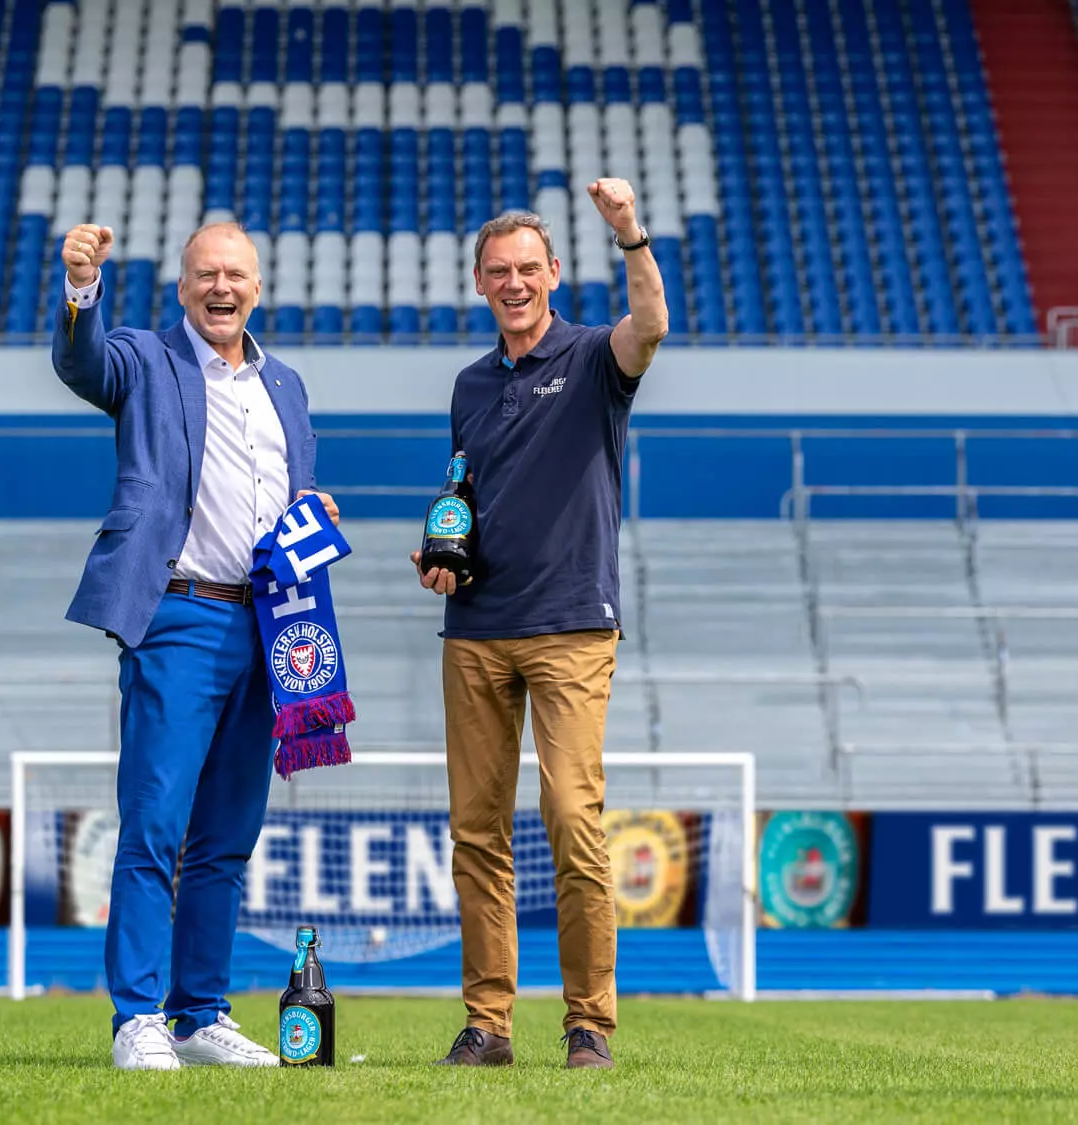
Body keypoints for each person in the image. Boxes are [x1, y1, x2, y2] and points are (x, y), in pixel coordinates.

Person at [52, 220, 338, 1070]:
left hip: (274, 626)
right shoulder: (144, 359)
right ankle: (137, 1017)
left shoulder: (286, 382)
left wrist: (315, 518)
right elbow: (82, 363)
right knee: (154, 825)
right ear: (182, 287)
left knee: (225, 836)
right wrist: (79, 291)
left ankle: (201, 1012)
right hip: (178, 616)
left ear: (259, 287)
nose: (222, 287)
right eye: (206, 273)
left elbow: (297, 486)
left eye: (237, 274)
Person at [412, 180, 667, 1071]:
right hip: (476, 624)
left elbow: (654, 327)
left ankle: (588, 1021)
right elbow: (464, 499)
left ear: (554, 273)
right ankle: (488, 1024)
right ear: (479, 283)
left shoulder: (598, 356)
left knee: (571, 816)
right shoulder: (469, 384)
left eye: (529, 267)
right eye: (498, 271)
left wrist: (630, 233)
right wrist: (445, 552)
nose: (514, 282)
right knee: (476, 831)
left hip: (570, 625)